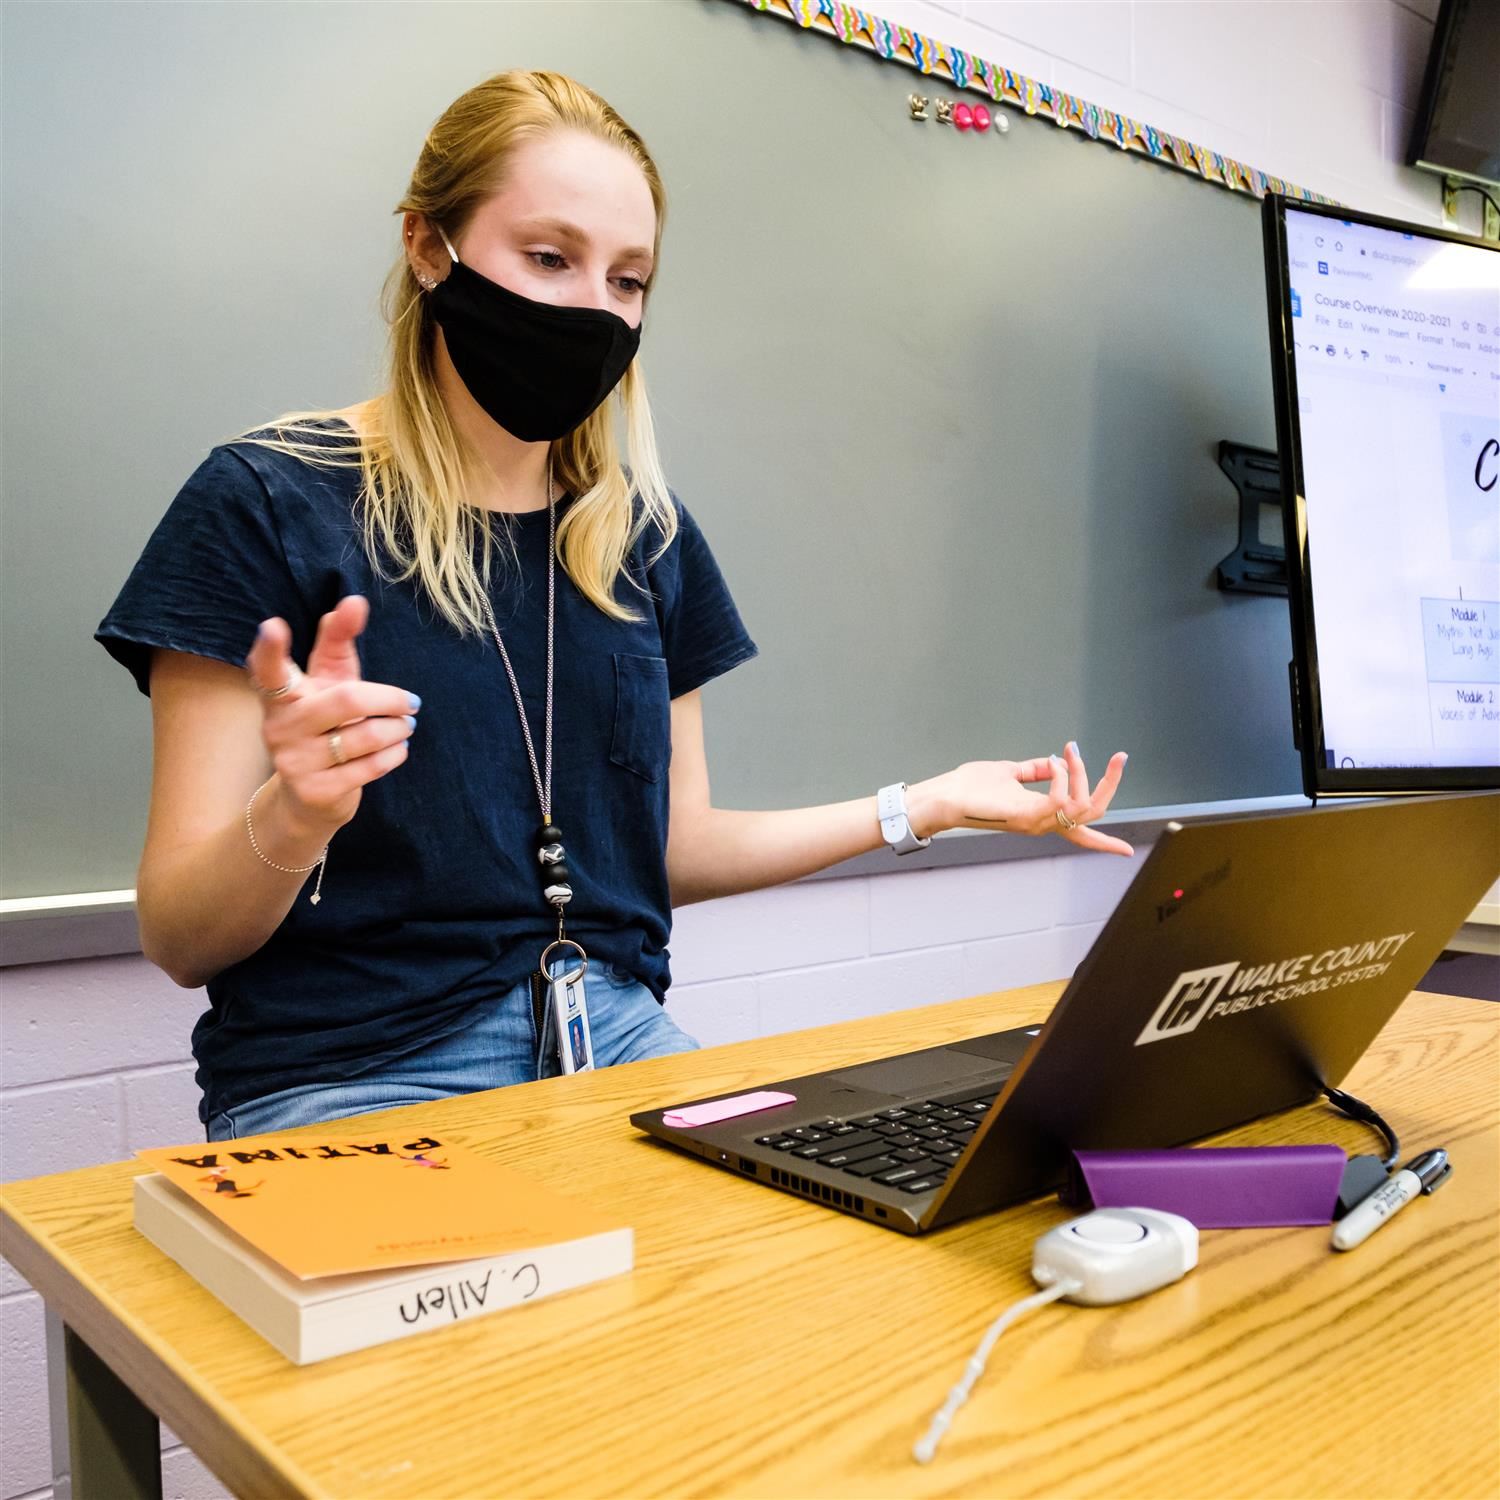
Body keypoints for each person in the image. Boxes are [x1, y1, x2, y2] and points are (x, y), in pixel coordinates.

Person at [96, 70, 1131, 1144]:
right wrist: (295, 811)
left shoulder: (640, 535)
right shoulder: (265, 501)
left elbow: (669, 848)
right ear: (425, 247)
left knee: (839, 1251)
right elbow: (180, 936)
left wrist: (927, 804)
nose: (594, 307)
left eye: (628, 279)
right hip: (356, 1070)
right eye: (549, 258)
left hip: (616, 1038)